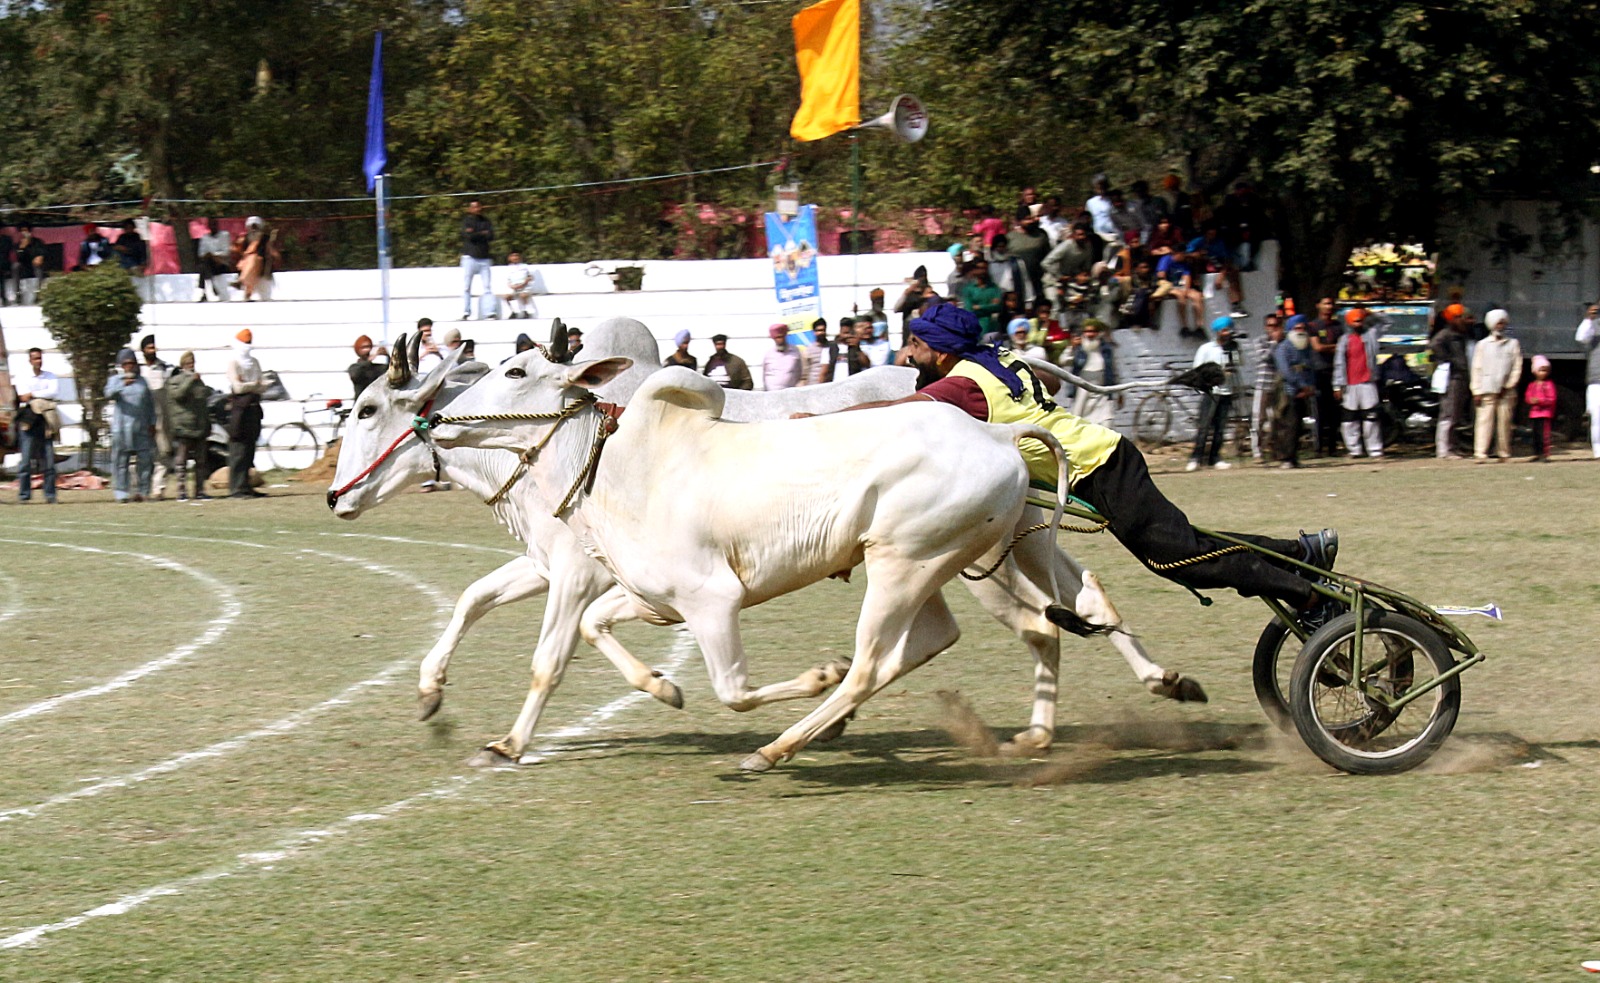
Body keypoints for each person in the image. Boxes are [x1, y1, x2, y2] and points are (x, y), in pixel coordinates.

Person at [804, 302, 1340, 626]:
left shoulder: (963, 384)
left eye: (916, 345)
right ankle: (1302, 552)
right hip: (1104, 455)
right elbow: (1052, 384)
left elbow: (895, 411)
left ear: (941, 350)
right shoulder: (998, 359)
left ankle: (1306, 594)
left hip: (1097, 467)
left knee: (1180, 560)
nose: (907, 355)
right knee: (1189, 544)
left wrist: (821, 419)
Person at [1188, 315, 1243, 471]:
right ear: (1218, 332)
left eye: (1229, 330)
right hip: (1212, 392)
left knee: (1220, 428)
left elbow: (1239, 364)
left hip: (1227, 391)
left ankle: (1215, 457)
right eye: (1224, 330)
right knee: (1204, 427)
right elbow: (1197, 370)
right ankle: (1196, 457)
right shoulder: (1206, 349)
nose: (1227, 333)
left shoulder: (1232, 348)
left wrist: (1235, 352)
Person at [105, 348, 158, 502]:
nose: (129, 366)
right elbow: (108, 394)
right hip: (121, 428)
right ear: (121, 365)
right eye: (126, 363)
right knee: (121, 461)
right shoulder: (115, 380)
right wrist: (122, 385)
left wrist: (152, 423)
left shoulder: (142, 381)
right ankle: (121, 493)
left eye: (132, 363)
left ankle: (143, 491)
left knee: (145, 461)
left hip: (141, 427)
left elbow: (150, 404)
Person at [1332, 308, 1385, 459]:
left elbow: (1387, 322)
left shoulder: (1371, 335)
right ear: (1349, 323)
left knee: (1371, 418)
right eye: (1355, 321)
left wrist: (1371, 313)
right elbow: (1339, 363)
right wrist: (1337, 385)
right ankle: (1354, 450)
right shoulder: (1344, 340)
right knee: (1349, 420)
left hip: (1368, 382)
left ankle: (1375, 450)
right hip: (1349, 384)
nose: (1358, 324)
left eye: (1360, 321)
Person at [1470, 309, 1522, 461]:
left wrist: (1508, 385)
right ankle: (1480, 453)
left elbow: (1516, 367)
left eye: (1503, 323)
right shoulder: (1482, 345)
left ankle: (1503, 452)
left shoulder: (1512, 344)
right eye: (1498, 323)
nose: (1501, 326)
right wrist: (1476, 391)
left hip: (1506, 391)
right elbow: (1476, 368)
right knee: (1484, 422)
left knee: (1504, 423)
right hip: (1486, 389)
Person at [225, 329, 267, 498]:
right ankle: (236, 488)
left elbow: (261, 385)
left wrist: (249, 384)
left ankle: (246, 486)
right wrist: (253, 384)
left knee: (250, 449)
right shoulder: (234, 363)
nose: (247, 346)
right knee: (238, 450)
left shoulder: (254, 362)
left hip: (253, 409)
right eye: (245, 343)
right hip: (240, 411)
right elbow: (237, 388)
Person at [167, 351, 214, 501]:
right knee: (181, 462)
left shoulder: (199, 381)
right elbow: (178, 395)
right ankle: (181, 492)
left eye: (192, 363)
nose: (191, 366)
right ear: (182, 365)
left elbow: (203, 401)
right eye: (188, 363)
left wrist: (207, 424)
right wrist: (189, 381)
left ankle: (200, 491)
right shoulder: (175, 380)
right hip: (183, 427)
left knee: (201, 462)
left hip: (199, 427)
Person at [15, 347, 60, 503]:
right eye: (35, 358)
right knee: (25, 462)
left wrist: (33, 394)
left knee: (49, 461)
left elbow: (53, 392)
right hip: (29, 420)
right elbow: (22, 396)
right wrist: (41, 395)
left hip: (45, 421)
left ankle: (50, 495)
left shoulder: (50, 376)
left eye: (40, 358)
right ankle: (24, 495)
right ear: (30, 360)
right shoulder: (22, 376)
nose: (38, 361)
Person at [1273, 316, 1317, 468]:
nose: (1301, 331)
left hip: (1303, 392)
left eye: (1303, 328)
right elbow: (1286, 372)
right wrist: (1301, 386)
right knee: (1289, 425)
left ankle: (1293, 457)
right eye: (1297, 328)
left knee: (1298, 426)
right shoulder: (1283, 348)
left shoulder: (1306, 347)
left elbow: (1309, 367)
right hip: (1289, 391)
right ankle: (1286, 458)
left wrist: (1310, 386)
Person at [138, 334, 176, 498]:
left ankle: (158, 489)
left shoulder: (165, 369)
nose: (152, 350)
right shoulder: (138, 369)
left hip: (161, 419)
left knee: (163, 453)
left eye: (154, 347)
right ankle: (142, 489)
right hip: (142, 419)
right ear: (143, 350)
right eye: (149, 348)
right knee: (143, 454)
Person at [1307, 297, 1345, 455]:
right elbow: (1318, 347)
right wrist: (1336, 347)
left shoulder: (1338, 326)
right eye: (1326, 303)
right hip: (1319, 371)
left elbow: (1343, 347)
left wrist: (1331, 347)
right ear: (1318, 305)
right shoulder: (1313, 326)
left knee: (1334, 411)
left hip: (1335, 371)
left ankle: (1332, 447)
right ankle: (1318, 448)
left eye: (1331, 304)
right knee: (1319, 411)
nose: (1329, 307)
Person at [1066, 319, 1119, 427]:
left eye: (1093, 331)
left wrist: (1120, 392)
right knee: (1080, 423)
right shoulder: (1079, 349)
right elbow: (1063, 361)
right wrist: (1071, 347)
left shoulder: (1106, 350)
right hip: (1082, 392)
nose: (1090, 335)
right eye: (1087, 331)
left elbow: (1114, 370)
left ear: (1099, 333)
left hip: (1102, 391)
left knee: (1106, 423)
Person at [1250, 313, 1285, 462]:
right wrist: (1274, 343)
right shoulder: (1260, 341)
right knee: (1259, 419)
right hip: (1264, 384)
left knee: (1277, 420)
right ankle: (1257, 452)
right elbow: (1265, 357)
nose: (1273, 329)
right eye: (1270, 326)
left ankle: (1276, 450)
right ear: (1266, 327)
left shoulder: (1284, 341)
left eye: (1276, 325)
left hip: (1279, 386)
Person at [1156, 246, 1204, 337]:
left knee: (1197, 296)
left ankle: (1199, 326)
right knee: (1180, 296)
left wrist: (1185, 289)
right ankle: (1184, 326)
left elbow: (1186, 278)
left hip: (1180, 286)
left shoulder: (1184, 264)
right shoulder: (1166, 259)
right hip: (1168, 286)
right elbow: (1161, 275)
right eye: (1183, 254)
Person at [460, 200, 495, 320]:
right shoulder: (466, 221)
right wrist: (482, 233)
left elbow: (491, 236)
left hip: (484, 258)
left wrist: (476, 233)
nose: (477, 209)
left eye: (479, 206)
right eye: (474, 207)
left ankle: (490, 312)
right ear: (470, 209)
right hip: (469, 257)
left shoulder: (486, 221)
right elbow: (468, 236)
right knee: (466, 287)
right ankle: (466, 312)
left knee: (487, 287)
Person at [236, 217, 280, 302]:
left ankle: (242, 281)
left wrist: (275, 256)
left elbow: (270, 250)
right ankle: (245, 287)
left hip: (261, 264)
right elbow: (241, 252)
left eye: (255, 226)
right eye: (252, 226)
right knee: (251, 260)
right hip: (247, 265)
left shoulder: (265, 238)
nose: (254, 229)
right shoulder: (245, 239)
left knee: (254, 259)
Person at [1576, 302, 1600, 458]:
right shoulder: (1594, 324)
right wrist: (1588, 318)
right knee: (1597, 417)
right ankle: (1598, 451)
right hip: (1597, 379)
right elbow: (1581, 337)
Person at [1525, 355, 1557, 463]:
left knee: (1544, 435)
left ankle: (1545, 454)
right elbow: (1528, 397)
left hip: (1545, 413)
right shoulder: (1532, 385)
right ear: (1535, 371)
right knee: (1535, 435)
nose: (1543, 373)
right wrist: (1531, 400)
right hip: (1534, 413)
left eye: (1545, 371)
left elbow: (1551, 399)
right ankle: (1536, 453)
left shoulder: (1549, 385)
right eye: (1541, 370)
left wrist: (1539, 401)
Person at [959, 259, 1002, 337]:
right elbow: (969, 309)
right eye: (980, 268)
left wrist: (979, 307)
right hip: (975, 327)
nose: (983, 271)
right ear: (974, 270)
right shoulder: (968, 289)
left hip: (992, 328)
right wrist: (988, 307)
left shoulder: (994, 288)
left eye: (985, 268)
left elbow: (997, 306)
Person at [195, 218, 232, 301]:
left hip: (221, 263)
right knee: (205, 263)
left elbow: (226, 252)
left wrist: (213, 255)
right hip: (210, 263)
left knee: (204, 266)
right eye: (211, 225)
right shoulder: (205, 237)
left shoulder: (224, 235)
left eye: (214, 224)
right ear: (208, 226)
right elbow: (201, 253)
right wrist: (209, 255)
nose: (213, 226)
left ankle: (203, 290)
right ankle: (211, 286)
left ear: (217, 225)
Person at [497, 250, 537, 318]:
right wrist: (512, 286)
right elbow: (507, 280)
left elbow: (530, 277)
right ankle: (514, 312)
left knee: (523, 295)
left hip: (525, 287)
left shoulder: (525, 266)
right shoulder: (508, 268)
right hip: (514, 288)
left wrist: (524, 283)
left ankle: (526, 311)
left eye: (516, 256)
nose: (515, 258)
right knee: (507, 297)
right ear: (509, 258)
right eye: (513, 256)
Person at [762, 324, 802, 391]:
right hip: (772, 392)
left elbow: (800, 371)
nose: (780, 340)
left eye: (781, 336)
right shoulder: (769, 354)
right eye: (777, 337)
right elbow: (764, 374)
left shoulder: (795, 351)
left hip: (790, 392)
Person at [16, 225, 48, 305]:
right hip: (25, 266)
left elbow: (43, 252)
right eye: (22, 231)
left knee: (37, 266)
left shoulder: (37, 242)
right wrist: (22, 248)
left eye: (25, 230)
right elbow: (19, 258)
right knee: (15, 267)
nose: (24, 233)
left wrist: (40, 257)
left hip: (36, 264)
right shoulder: (19, 243)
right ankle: (18, 293)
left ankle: (39, 293)